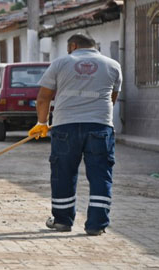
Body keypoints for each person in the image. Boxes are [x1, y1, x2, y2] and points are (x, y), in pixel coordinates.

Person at [29, 33, 122, 236]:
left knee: (63, 173)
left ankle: (62, 221)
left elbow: (44, 97)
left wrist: (42, 123)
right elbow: (112, 97)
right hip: (99, 127)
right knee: (100, 176)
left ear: (72, 45)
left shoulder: (61, 63)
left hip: (65, 127)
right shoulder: (112, 65)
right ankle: (96, 225)